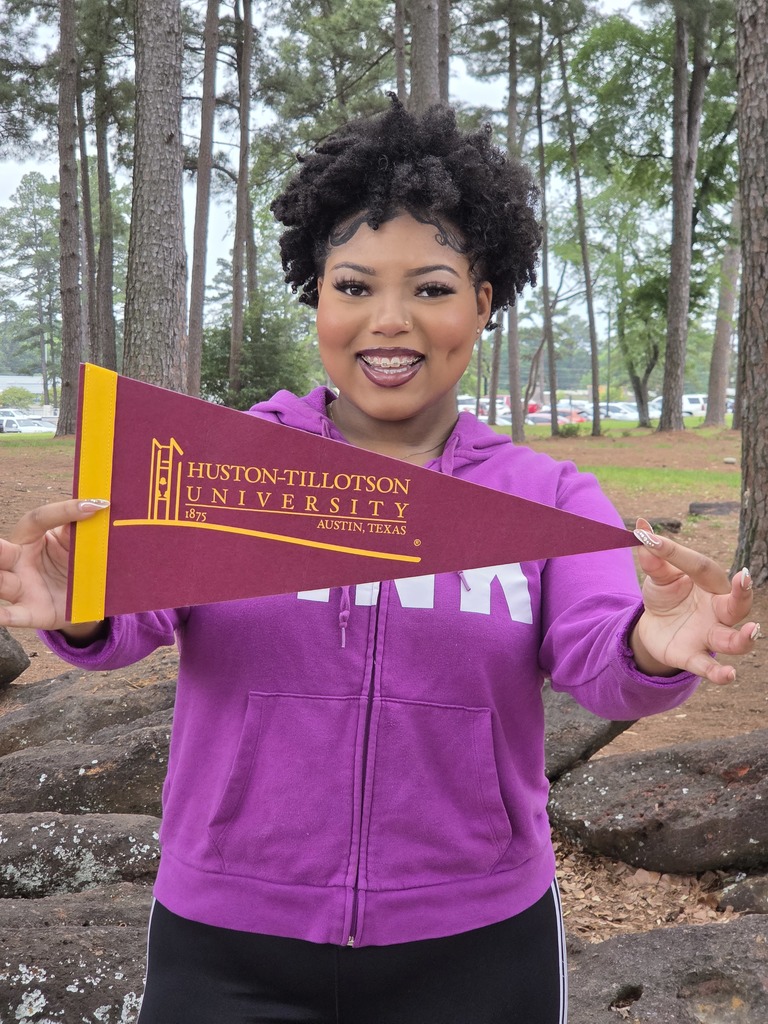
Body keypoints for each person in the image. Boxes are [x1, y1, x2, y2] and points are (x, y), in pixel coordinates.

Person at [0, 98, 758, 1024]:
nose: (389, 321)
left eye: (432, 288)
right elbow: (129, 620)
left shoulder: (549, 497)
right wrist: (79, 601)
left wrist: (650, 645)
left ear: (484, 301)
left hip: (477, 947)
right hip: (228, 944)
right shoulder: (219, 468)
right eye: (354, 286)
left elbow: (600, 657)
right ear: (316, 295)